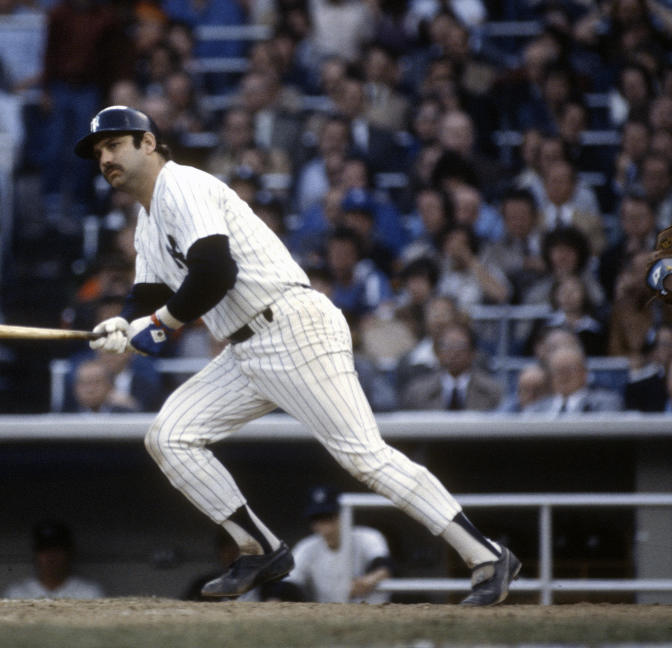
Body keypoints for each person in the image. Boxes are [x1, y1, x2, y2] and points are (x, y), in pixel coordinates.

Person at [78, 106, 520, 606]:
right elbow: (149, 294)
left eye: (114, 145)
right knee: (170, 436)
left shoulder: (183, 186)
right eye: (98, 152)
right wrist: (123, 321)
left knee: (364, 457)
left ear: (149, 143)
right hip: (246, 350)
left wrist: (158, 326)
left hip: (290, 326)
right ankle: (260, 547)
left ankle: (486, 555)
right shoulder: (148, 218)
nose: (105, 158)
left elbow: (215, 271)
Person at [285, 485, 393, 604]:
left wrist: (370, 580)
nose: (324, 527)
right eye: (317, 519)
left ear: (343, 515)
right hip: (330, 617)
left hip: (372, 613)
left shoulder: (368, 537)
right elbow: (288, 584)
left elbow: (384, 565)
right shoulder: (307, 547)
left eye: (328, 518)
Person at [3, 520, 105, 600]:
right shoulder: (17, 593)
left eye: (57, 549)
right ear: (35, 553)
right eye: (44, 549)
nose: (51, 556)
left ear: (69, 552)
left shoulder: (88, 592)